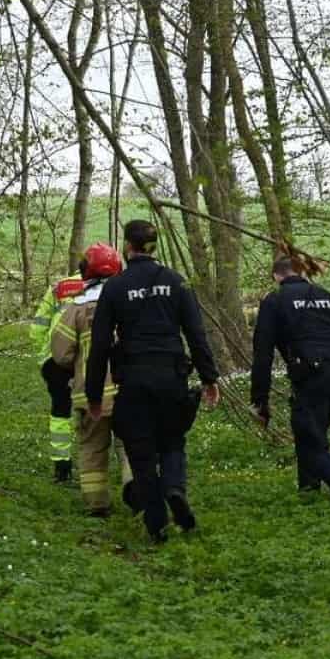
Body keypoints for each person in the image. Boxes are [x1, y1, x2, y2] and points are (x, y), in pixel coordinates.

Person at [84, 219, 222, 543]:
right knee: (173, 442)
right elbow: (196, 334)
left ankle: (157, 525)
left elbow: (101, 344)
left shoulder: (115, 287)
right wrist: (209, 378)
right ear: (154, 245)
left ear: (127, 247)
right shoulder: (177, 282)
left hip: (133, 380)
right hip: (171, 376)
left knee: (141, 451)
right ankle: (175, 488)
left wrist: (93, 394)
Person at [249, 253, 330, 507]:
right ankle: (308, 487)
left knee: (309, 438)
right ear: (302, 273)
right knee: (312, 434)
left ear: (276, 276)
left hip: (311, 377)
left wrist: (260, 400)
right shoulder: (328, 297)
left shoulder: (275, 301)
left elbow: (263, 354)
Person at [47, 242, 127, 516]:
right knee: (131, 442)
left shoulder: (76, 308)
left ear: (85, 271)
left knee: (92, 447)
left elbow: (60, 353)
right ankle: (135, 486)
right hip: (128, 389)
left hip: (89, 394)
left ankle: (97, 505)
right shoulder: (130, 302)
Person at [29, 265, 87, 483]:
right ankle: (92, 465)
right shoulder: (108, 287)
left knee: (60, 411)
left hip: (55, 360)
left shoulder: (59, 287)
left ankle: (61, 467)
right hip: (88, 360)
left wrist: (45, 357)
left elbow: (37, 328)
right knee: (92, 410)